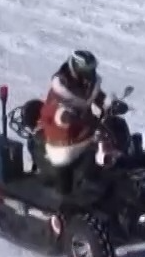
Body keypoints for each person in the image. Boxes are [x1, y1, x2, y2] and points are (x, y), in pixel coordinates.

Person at [37, 50, 108, 189]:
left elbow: (98, 97)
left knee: (107, 143)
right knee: (64, 178)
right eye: (86, 71)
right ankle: (69, 197)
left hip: (84, 129)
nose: (90, 74)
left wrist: (110, 104)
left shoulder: (87, 84)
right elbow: (53, 109)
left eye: (91, 70)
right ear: (76, 69)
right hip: (63, 137)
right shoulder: (61, 90)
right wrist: (65, 116)